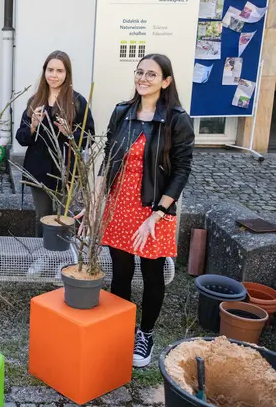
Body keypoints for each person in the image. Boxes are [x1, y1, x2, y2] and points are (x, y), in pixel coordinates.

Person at [100, 54, 194, 367]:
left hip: (155, 209)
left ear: (166, 81)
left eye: (151, 74)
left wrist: (157, 214)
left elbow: (182, 170)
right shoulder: (122, 112)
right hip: (119, 204)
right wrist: (98, 201)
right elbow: (108, 158)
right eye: (140, 72)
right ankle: (119, 327)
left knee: (153, 274)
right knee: (121, 272)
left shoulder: (177, 119)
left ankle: (146, 333)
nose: (143, 78)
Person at [15, 50, 95, 237]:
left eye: (59, 71)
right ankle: (44, 256)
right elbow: (21, 137)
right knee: (42, 216)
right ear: (44, 72)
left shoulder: (77, 102)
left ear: (67, 74)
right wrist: (33, 126)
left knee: (64, 217)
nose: (54, 75)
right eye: (50, 70)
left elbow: (89, 137)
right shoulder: (34, 101)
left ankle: (65, 257)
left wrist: (71, 134)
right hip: (38, 170)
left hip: (66, 171)